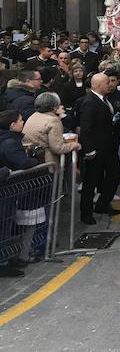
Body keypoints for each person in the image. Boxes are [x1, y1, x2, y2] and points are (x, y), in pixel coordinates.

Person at [0, 110, 41, 273]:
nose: (23, 122)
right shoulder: (9, 142)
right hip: (6, 190)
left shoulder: (8, 140)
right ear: (12, 125)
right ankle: (3, 262)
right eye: (20, 120)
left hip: (8, 189)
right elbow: (22, 162)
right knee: (4, 225)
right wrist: (35, 159)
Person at [79, 73, 120, 225]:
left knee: (115, 173)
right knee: (91, 182)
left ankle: (102, 204)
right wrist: (89, 150)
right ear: (97, 85)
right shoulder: (90, 102)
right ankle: (86, 213)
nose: (109, 85)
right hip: (96, 150)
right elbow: (86, 129)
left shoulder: (103, 99)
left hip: (108, 147)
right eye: (106, 83)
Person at [22, 91, 81, 165]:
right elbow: (57, 148)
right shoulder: (53, 120)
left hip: (31, 157)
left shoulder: (33, 116)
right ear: (55, 106)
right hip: (47, 162)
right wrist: (75, 145)